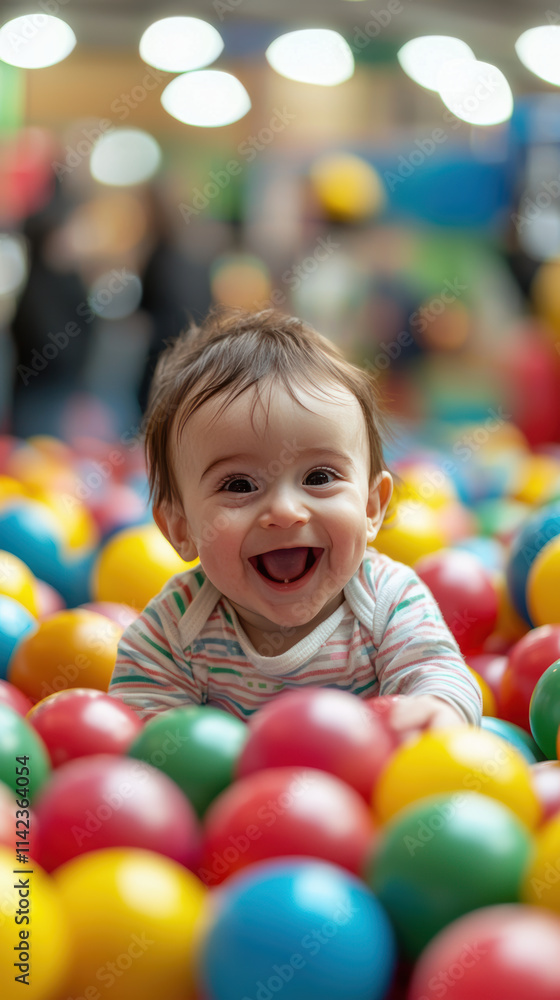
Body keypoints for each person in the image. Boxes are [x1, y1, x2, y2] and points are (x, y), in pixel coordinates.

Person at [108, 307, 482, 736]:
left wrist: (436, 710)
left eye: (319, 478)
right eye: (239, 485)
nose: (285, 511)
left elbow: (437, 672)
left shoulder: (386, 601)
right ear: (180, 529)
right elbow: (142, 738)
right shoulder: (174, 630)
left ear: (371, 508)